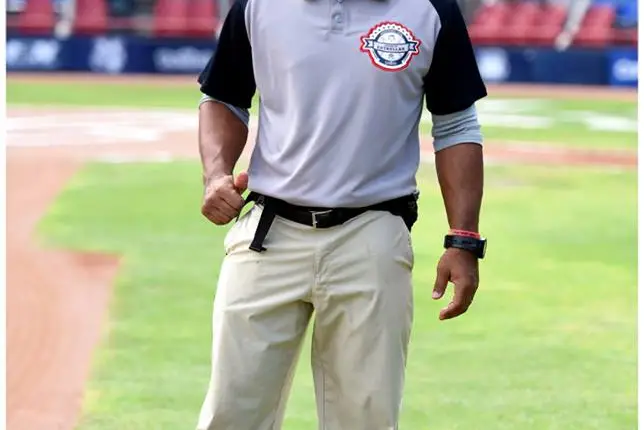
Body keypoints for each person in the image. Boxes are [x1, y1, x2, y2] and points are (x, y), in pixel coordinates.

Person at [195, 0, 488, 427]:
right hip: (268, 234)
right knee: (232, 412)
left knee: (365, 417)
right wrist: (215, 174)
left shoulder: (430, 9)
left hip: (371, 232)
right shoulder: (257, 5)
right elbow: (223, 96)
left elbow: (456, 125)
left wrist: (464, 238)